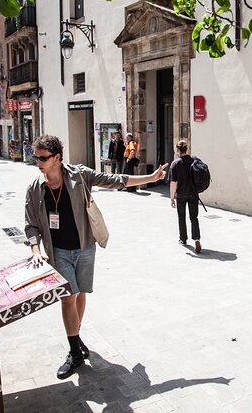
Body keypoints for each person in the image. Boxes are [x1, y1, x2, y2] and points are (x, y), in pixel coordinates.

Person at [25, 134, 166, 380]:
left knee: (80, 294)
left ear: (57, 157)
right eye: (35, 156)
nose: (37, 161)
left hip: (85, 247)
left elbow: (115, 179)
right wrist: (35, 250)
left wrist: (151, 178)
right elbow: (31, 225)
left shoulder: (79, 175)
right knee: (68, 297)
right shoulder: (35, 188)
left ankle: (76, 339)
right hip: (57, 252)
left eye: (42, 157)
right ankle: (74, 352)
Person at [169, 140, 202, 253]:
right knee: (194, 217)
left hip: (181, 195)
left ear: (177, 150)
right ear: (186, 149)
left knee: (181, 217)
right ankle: (197, 239)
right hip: (193, 194)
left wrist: (172, 197)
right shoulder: (194, 160)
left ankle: (183, 239)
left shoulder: (175, 164)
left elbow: (174, 183)